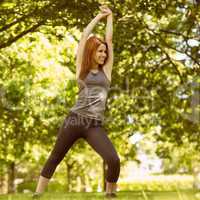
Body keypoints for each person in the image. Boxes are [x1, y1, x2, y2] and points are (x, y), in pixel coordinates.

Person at [32, 5, 120, 199]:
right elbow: (84, 37)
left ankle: (110, 195)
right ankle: (37, 195)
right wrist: (98, 16)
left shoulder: (107, 71)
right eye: (100, 51)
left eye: (105, 52)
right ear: (91, 52)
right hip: (75, 120)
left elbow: (110, 40)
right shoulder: (82, 69)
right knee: (55, 157)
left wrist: (110, 17)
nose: (103, 55)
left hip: (93, 125)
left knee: (113, 160)